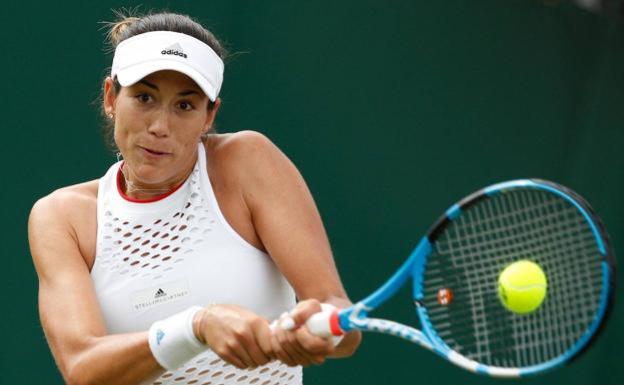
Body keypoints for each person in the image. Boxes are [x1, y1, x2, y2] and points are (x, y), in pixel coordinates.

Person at [28, 11, 360, 385]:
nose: (160, 127)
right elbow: (82, 368)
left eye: (185, 106)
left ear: (209, 116)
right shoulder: (63, 217)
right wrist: (197, 325)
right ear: (110, 97)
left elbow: (340, 317)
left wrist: (316, 330)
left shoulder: (247, 162)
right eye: (144, 97)